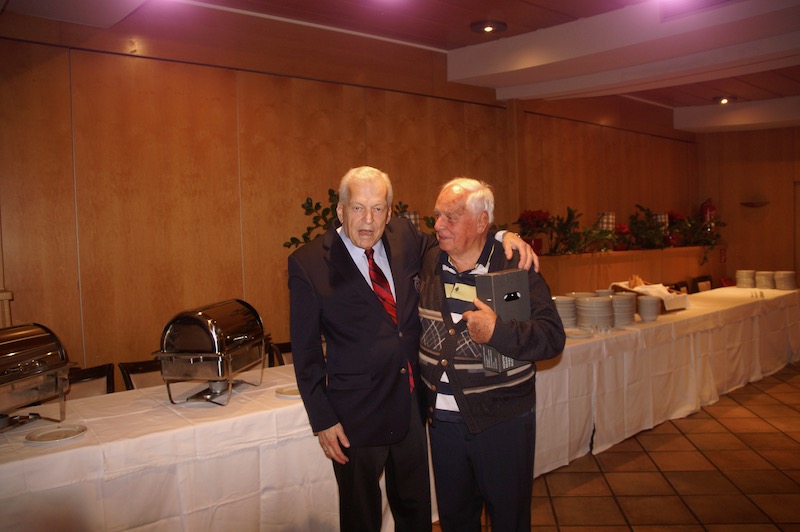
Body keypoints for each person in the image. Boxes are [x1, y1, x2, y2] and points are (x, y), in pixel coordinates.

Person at [287, 166, 536, 531]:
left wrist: (502, 234)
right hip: (355, 416)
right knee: (360, 518)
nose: (368, 220)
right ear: (340, 210)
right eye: (357, 208)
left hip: (411, 410)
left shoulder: (405, 237)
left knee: (415, 513)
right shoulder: (308, 263)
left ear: (389, 213)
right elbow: (306, 352)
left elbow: (461, 235)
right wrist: (323, 419)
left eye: (377, 208)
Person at [417, 177, 566, 532]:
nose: (439, 225)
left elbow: (551, 336)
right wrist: (504, 232)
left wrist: (498, 331)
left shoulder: (514, 264)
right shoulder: (430, 260)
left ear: (482, 221)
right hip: (443, 424)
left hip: (502, 422)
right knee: (456, 521)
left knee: (508, 519)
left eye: (451, 217)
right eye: (437, 216)